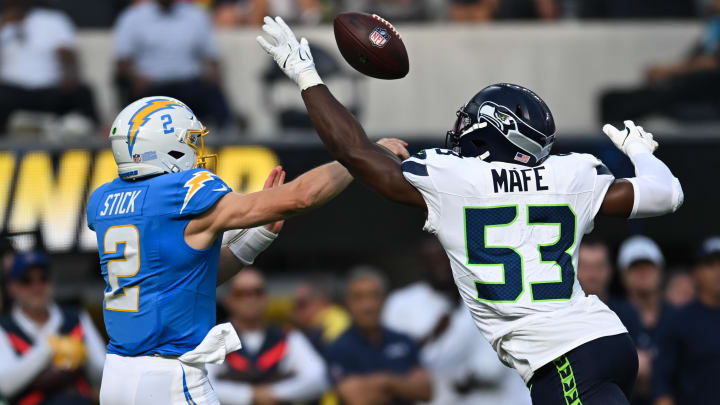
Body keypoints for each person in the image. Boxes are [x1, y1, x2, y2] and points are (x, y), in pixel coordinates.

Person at [257, 16, 684, 404]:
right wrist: (642, 152)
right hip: (606, 343)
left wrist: (304, 74)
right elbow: (667, 195)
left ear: (495, 131)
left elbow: (352, 150)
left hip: (563, 359)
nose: (462, 128)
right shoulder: (572, 174)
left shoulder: (455, 181)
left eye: (472, 120)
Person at [87, 95, 407, 405]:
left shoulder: (104, 201)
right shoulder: (180, 192)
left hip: (117, 375)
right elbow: (302, 197)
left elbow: (184, 280)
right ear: (165, 145)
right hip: (169, 376)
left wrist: (255, 237)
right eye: (190, 140)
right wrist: (363, 157)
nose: (197, 150)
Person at [382, 237, 531, 405]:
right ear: (422, 266)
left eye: (445, 260)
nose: (441, 268)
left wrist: (469, 377)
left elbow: (493, 365)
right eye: (433, 262)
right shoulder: (401, 302)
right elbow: (392, 358)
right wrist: (433, 335)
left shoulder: (489, 297)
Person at [207, 268, 328, 405]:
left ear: (266, 297)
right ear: (228, 300)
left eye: (257, 292)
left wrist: (275, 393)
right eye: (241, 294)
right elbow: (201, 383)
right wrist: (250, 395)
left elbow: (318, 378)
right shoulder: (216, 337)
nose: (251, 299)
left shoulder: (287, 336)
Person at [0, 252, 106, 405]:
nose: (37, 287)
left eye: (43, 279)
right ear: (12, 287)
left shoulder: (76, 317)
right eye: (26, 281)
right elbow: (5, 385)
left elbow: (104, 373)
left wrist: (82, 353)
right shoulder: (4, 327)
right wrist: (50, 348)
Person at [113, 0, 232, 128]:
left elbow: (212, 57)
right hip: (151, 87)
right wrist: (135, 78)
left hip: (189, 84)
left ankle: (226, 139)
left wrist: (213, 74)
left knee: (212, 95)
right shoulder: (133, 17)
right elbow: (122, 61)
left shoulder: (196, 16)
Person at [599, 0, 720, 124]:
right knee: (611, 100)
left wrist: (668, 71)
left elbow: (712, 63)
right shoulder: (713, 28)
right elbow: (693, 60)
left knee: (617, 104)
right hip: (687, 85)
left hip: (706, 93)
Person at [325, 268, 432, 405]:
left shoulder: (404, 340)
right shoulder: (337, 348)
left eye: (374, 296)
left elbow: (425, 390)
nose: (368, 306)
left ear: (384, 299)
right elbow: (358, 400)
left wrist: (385, 382)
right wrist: (402, 385)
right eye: (358, 297)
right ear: (347, 303)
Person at [0, 0, 99, 135]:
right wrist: (3, 24)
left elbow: (67, 55)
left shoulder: (52, 19)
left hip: (49, 88)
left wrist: (69, 77)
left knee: (84, 92)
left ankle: (97, 141)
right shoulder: (3, 23)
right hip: (11, 90)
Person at [653, 236, 720, 405]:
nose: (718, 270)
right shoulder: (678, 321)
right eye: (710, 264)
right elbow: (661, 384)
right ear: (696, 273)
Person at [617, 236, 677, 405]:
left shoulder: (678, 317)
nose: (643, 273)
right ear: (623, 275)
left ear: (660, 271)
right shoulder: (609, 316)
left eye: (649, 266)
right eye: (635, 267)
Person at [292, 278, 350, 353]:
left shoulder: (324, 330)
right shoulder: (339, 316)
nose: (295, 312)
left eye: (302, 305)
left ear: (321, 302)